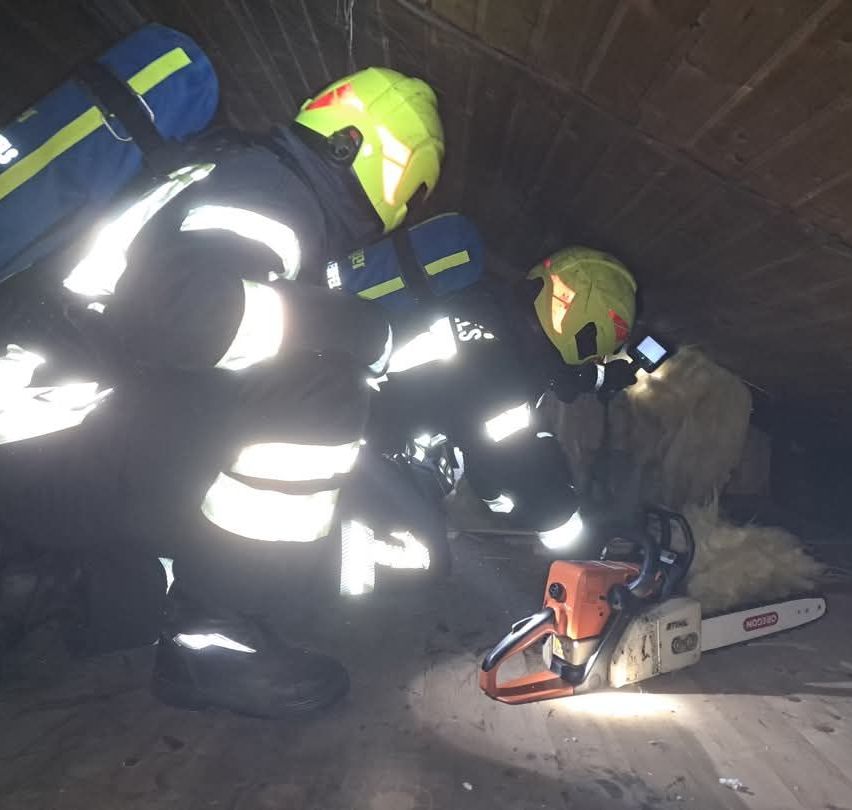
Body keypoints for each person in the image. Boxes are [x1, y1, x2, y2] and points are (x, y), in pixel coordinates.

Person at [0, 66, 446, 717]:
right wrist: (352, 327)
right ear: (361, 152)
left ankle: (54, 579)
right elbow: (175, 314)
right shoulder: (278, 194)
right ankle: (211, 643)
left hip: (44, 427)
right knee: (321, 383)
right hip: (54, 436)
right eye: (408, 183)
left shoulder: (223, 165)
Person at [322, 215, 640, 548]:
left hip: (332, 387)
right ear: (589, 333)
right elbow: (507, 488)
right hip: (356, 450)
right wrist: (573, 527)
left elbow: (540, 368)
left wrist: (599, 378)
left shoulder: (485, 300)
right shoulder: (504, 382)